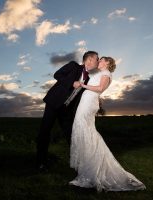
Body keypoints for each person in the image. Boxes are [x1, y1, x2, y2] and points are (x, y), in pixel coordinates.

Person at [69, 57, 146, 192]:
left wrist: (82, 85)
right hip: (87, 100)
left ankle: (94, 168)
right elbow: (87, 71)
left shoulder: (106, 74)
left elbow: (99, 88)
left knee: (86, 130)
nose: (99, 61)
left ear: (108, 63)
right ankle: (89, 166)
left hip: (89, 101)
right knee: (83, 129)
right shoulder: (99, 73)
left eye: (102, 59)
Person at [36, 51, 99, 170]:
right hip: (54, 103)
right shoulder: (73, 66)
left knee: (71, 134)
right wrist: (72, 82)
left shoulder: (88, 79)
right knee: (45, 131)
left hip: (66, 109)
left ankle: (77, 162)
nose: (98, 61)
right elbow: (57, 75)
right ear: (90, 59)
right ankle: (41, 162)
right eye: (97, 59)